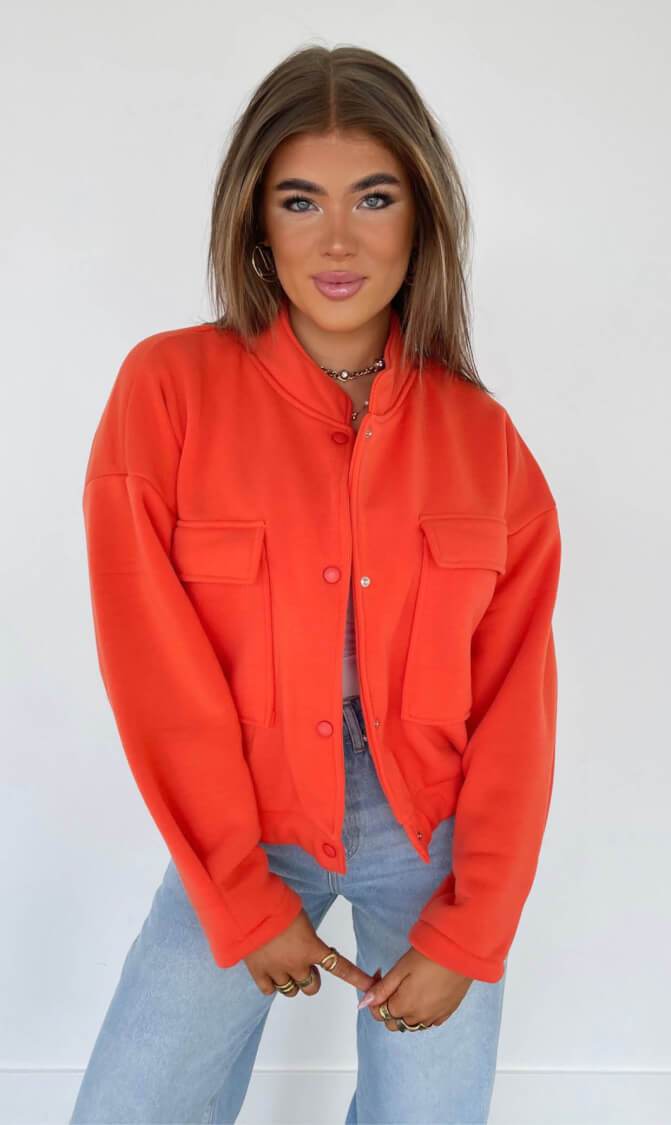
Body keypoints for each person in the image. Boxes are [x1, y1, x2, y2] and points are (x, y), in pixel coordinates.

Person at [70, 43, 561, 1125]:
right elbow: (154, 667)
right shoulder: (168, 391)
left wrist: (471, 929)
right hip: (244, 822)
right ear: (256, 220)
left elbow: (515, 709)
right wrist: (240, 894)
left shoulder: (483, 440)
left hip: (431, 841)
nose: (337, 240)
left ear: (420, 219)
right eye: (300, 201)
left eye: (373, 198)